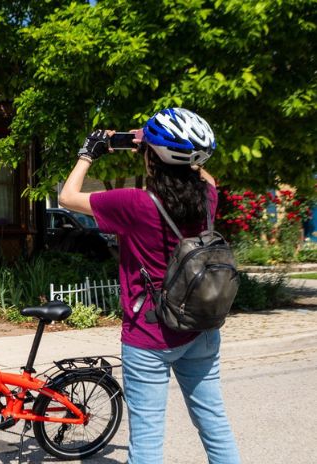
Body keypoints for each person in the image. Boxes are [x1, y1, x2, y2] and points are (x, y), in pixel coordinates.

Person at [59, 108, 240, 464]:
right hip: (200, 328)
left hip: (149, 335)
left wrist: (87, 154)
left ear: (152, 156)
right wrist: (160, 144)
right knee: (214, 424)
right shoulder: (208, 197)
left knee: (147, 439)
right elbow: (208, 176)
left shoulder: (134, 203)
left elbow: (67, 197)